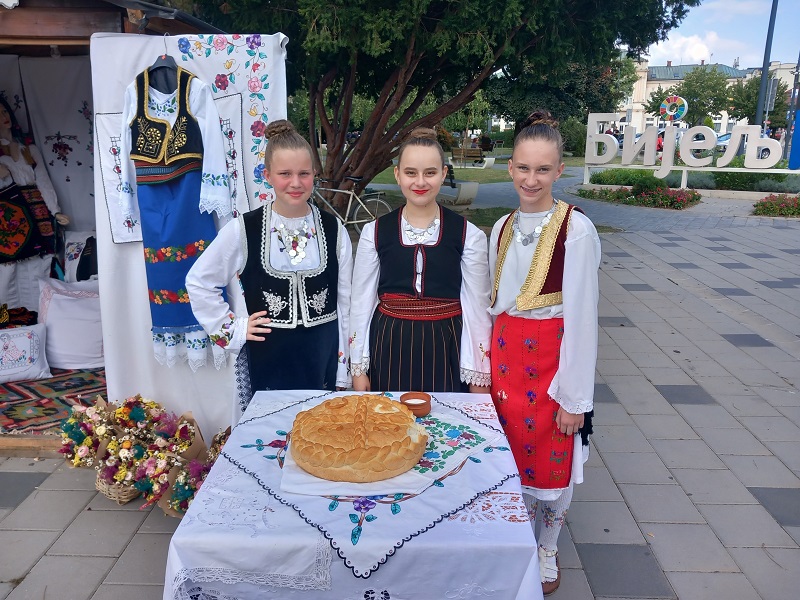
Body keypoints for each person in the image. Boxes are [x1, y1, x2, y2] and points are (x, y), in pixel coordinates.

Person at [488, 109, 600, 596]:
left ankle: (547, 545)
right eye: (523, 167)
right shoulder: (501, 226)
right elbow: (493, 304)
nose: (531, 179)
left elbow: (583, 317)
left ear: (559, 171)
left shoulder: (577, 229)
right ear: (510, 167)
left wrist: (574, 398)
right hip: (506, 359)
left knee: (554, 455)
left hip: (552, 361)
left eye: (542, 169)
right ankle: (513, 538)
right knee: (509, 454)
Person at [186, 120, 353, 403]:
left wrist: (345, 367)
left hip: (322, 358)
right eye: (285, 174)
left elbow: (346, 302)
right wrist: (234, 328)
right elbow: (199, 281)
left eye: (304, 173)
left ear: (315, 173)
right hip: (267, 359)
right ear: (268, 176)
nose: (296, 183)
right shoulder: (244, 229)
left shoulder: (333, 229)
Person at [350, 127, 492, 393]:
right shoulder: (374, 232)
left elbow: (477, 308)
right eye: (411, 173)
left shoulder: (468, 235)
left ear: (443, 174)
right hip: (389, 344)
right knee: (390, 417)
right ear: (397, 174)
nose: (420, 182)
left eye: (430, 173)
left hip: (446, 345)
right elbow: (361, 302)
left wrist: (479, 375)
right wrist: (359, 368)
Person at [0, 96, 69, 311]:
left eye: (4, 111)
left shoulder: (29, 150)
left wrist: (55, 211)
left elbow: (44, 183)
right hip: (10, 217)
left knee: (41, 263)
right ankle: (11, 319)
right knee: (10, 268)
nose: (4, 117)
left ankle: (42, 314)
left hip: (37, 211)